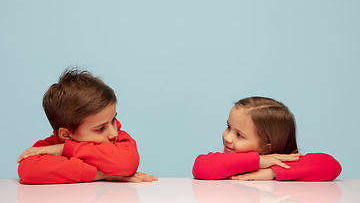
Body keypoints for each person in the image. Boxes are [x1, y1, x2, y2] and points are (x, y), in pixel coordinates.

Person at [17, 68, 157, 184]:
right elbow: (28, 171)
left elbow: (126, 163)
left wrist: (64, 150)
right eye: (100, 128)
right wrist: (104, 174)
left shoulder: (118, 138)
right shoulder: (49, 146)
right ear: (66, 135)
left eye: (113, 120)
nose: (113, 133)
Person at [192, 96, 342, 181]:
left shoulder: (279, 163)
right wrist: (259, 161)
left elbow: (331, 166)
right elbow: (199, 167)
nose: (227, 137)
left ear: (267, 147)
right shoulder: (226, 163)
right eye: (228, 127)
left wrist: (272, 172)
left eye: (239, 135)